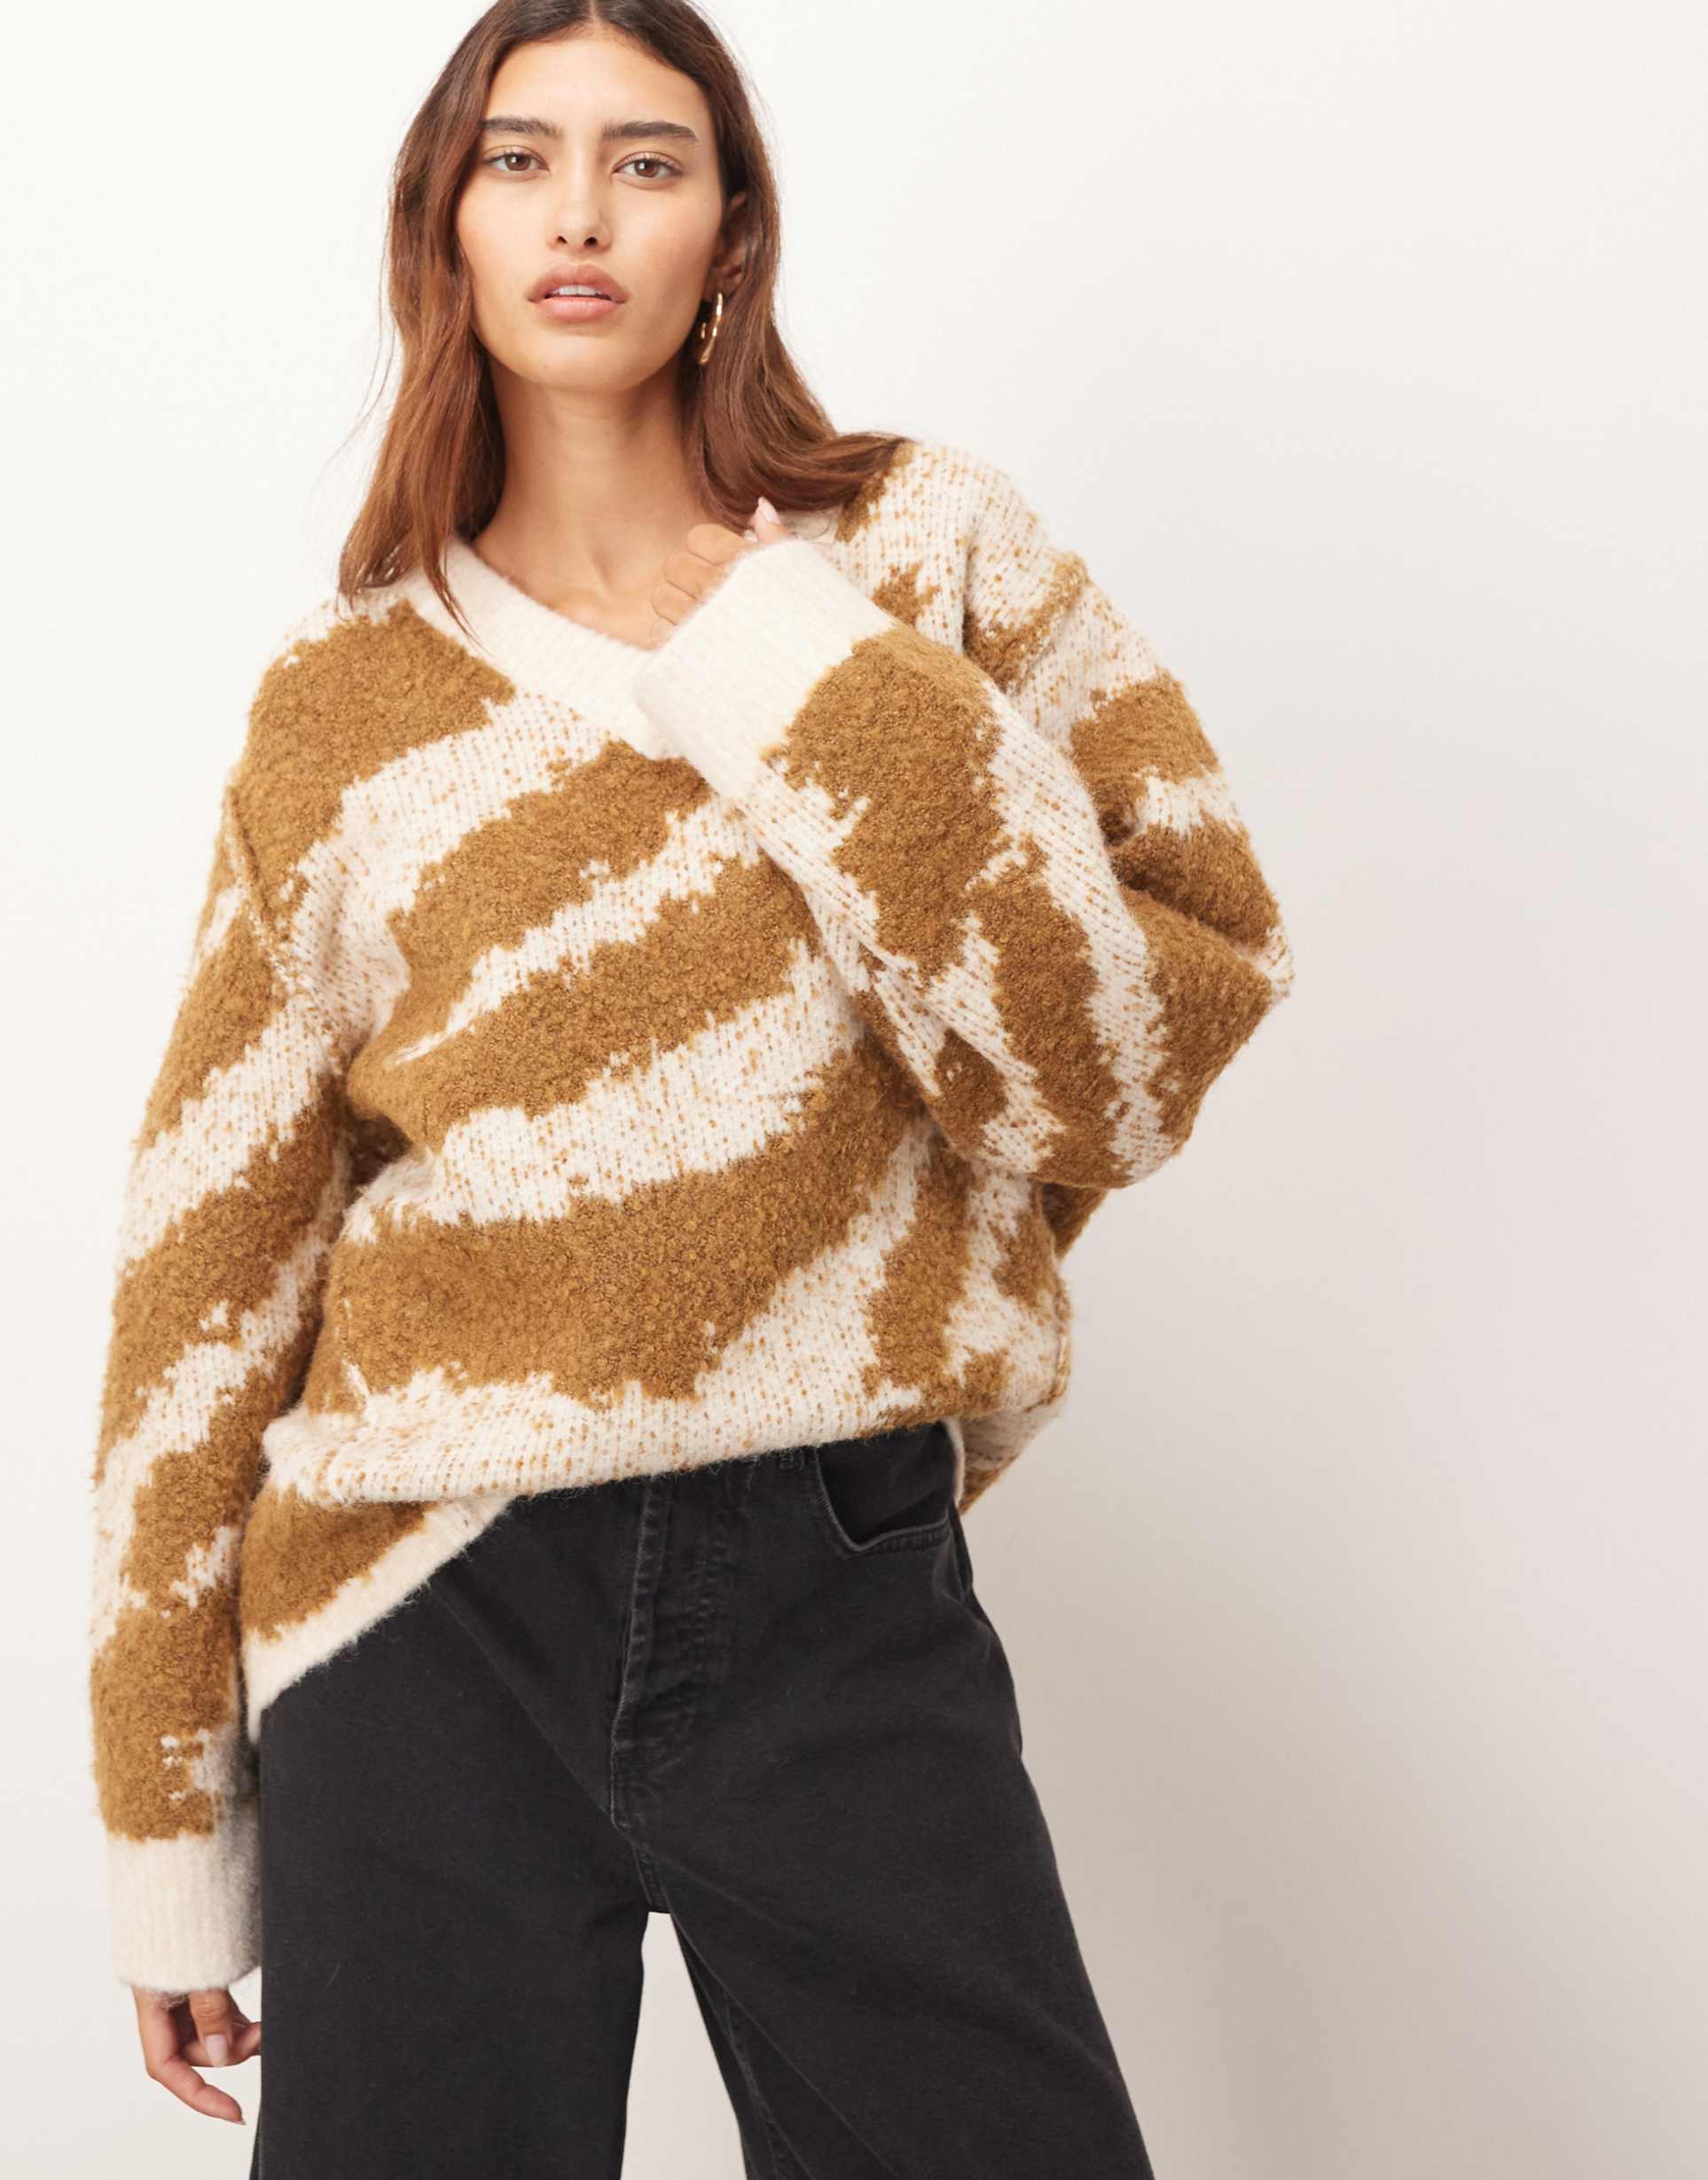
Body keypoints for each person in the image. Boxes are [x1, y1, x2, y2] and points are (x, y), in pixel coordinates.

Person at [87, 3, 1296, 2172]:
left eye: (646, 161)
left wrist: (786, 659)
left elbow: (1124, 1055)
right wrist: (168, 1810)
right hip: (421, 1599)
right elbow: (214, 1259)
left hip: (835, 1563)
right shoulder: (340, 706)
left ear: (731, 227)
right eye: (519, 158)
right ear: (444, 225)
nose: (579, 213)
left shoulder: (925, 557)